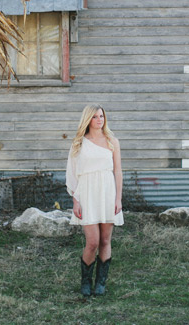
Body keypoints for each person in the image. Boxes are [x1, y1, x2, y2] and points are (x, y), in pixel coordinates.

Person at [66, 104, 123, 296]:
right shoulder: (79, 143)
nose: (100, 120)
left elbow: (118, 171)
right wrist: (76, 200)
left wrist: (118, 198)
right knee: (92, 241)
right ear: (87, 119)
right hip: (87, 193)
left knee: (105, 240)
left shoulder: (112, 141)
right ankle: (85, 281)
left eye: (102, 116)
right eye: (95, 117)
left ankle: (101, 283)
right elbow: (72, 173)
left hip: (107, 192)